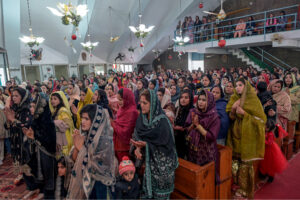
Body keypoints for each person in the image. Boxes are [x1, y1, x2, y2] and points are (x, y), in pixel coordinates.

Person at [131, 89, 178, 199]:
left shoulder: (163, 122)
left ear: (152, 104)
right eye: (140, 103)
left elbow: (166, 148)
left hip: (162, 171)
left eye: (145, 103)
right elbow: (137, 136)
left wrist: (146, 146)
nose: (142, 105)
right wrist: (137, 148)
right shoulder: (141, 119)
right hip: (147, 167)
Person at [226, 78, 266, 198]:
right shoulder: (233, 98)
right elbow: (231, 118)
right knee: (234, 163)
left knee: (245, 166)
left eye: (240, 85)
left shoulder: (253, 100)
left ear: (246, 86)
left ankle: (244, 190)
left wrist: (245, 114)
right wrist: (233, 109)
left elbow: (261, 121)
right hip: (234, 136)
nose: (237, 87)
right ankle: (235, 187)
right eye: (236, 85)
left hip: (247, 138)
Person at [68, 104, 116, 199]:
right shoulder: (85, 136)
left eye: (87, 119)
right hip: (85, 184)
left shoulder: (104, 141)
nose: (82, 122)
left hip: (100, 185)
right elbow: (75, 160)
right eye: (82, 118)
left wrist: (81, 148)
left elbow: (98, 168)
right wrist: (77, 147)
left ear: (95, 121)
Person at [22, 92, 57, 199]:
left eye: (33, 106)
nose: (31, 109)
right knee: (37, 170)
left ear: (40, 108)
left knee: (47, 173)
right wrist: (31, 138)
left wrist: (34, 137)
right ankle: (40, 190)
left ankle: (48, 193)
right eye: (31, 106)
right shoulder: (35, 120)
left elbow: (49, 143)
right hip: (38, 153)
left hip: (47, 155)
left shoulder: (48, 123)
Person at [185, 90, 220, 178]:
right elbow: (187, 130)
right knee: (193, 173)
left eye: (204, 100)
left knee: (206, 176)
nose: (200, 102)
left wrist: (198, 126)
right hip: (192, 149)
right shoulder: (193, 112)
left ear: (209, 102)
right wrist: (193, 124)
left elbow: (211, 137)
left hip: (206, 151)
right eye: (199, 99)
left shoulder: (214, 117)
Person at [4, 87, 32, 184]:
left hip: (24, 139)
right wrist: (8, 121)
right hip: (15, 139)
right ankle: (22, 174)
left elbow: (25, 125)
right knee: (17, 157)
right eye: (13, 96)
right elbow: (7, 126)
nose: (14, 98)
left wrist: (13, 120)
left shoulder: (27, 109)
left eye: (16, 96)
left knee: (26, 158)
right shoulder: (14, 108)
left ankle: (30, 180)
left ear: (23, 96)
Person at [111, 88, 138, 162]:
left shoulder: (132, 112)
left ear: (127, 99)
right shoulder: (122, 109)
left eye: (121, 99)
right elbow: (118, 123)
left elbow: (125, 132)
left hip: (125, 147)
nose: (119, 102)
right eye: (118, 99)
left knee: (125, 169)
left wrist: (112, 123)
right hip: (117, 144)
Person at [50, 91, 74, 156]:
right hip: (59, 137)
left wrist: (55, 123)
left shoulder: (63, 111)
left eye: (55, 99)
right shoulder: (55, 110)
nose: (52, 101)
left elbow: (68, 125)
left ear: (60, 100)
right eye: (51, 99)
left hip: (65, 138)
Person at [174, 89, 194, 158]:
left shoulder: (193, 111)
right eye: (181, 97)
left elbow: (193, 127)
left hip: (187, 142)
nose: (183, 100)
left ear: (190, 99)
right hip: (177, 140)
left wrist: (183, 129)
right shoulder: (178, 109)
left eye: (186, 98)